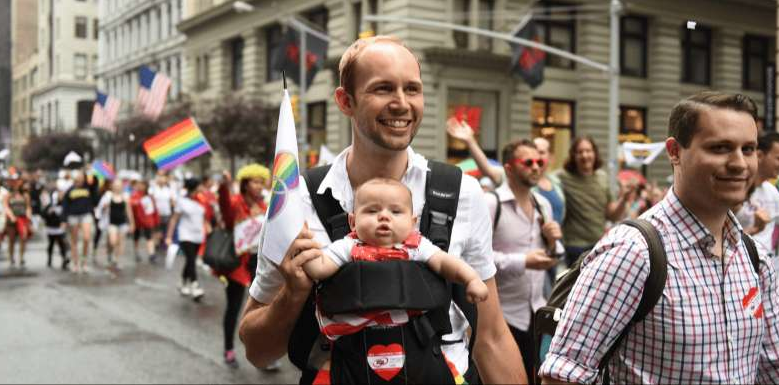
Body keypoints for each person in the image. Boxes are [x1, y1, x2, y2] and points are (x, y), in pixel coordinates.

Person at [239, 35, 526, 384]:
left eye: (413, 89)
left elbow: (492, 337)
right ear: (346, 101)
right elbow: (257, 351)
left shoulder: (461, 192)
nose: (402, 103)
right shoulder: (296, 201)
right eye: (383, 89)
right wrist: (294, 292)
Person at [540, 91, 779, 384]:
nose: (739, 163)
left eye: (748, 149)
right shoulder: (632, 253)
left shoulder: (755, 258)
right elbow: (563, 376)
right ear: (675, 152)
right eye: (720, 148)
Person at [302, 178, 488, 382]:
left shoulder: (416, 247)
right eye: (372, 211)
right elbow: (319, 269)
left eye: (396, 212)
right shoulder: (348, 247)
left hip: (415, 339)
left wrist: (471, 278)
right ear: (353, 222)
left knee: (443, 371)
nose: (383, 216)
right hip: (356, 341)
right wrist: (304, 250)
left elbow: (445, 263)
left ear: (412, 222)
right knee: (332, 372)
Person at [486, 139, 561, 385]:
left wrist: (552, 243)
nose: (536, 167)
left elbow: (553, 255)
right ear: (509, 168)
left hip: (537, 312)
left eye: (540, 162)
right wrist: (523, 261)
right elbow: (477, 257)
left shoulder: (543, 204)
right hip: (502, 316)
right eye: (528, 162)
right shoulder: (491, 203)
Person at [217, 164, 270, 369]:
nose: (258, 186)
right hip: (237, 265)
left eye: (260, 182)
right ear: (246, 184)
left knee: (264, 311)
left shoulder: (265, 206)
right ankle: (229, 349)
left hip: (260, 264)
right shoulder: (235, 203)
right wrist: (224, 186)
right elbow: (224, 207)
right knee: (234, 308)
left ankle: (264, 353)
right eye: (254, 182)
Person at [556, 136, 634, 266]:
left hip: (599, 245)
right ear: (573, 156)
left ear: (594, 153)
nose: (584, 155)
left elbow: (612, 215)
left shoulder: (602, 177)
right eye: (580, 152)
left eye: (588, 151)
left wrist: (624, 199)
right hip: (574, 247)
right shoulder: (561, 177)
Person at [734, 131, 779, 255]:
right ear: (759, 155)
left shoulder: (772, 191)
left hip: (766, 268)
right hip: (737, 266)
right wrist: (755, 229)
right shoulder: (735, 188)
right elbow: (720, 238)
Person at [165, 178, 208, 300]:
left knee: (191, 260)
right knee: (191, 259)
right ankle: (195, 286)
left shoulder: (202, 201)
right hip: (185, 235)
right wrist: (169, 236)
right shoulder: (182, 201)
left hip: (198, 236)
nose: (202, 187)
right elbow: (174, 219)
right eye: (200, 185)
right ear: (195, 187)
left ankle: (183, 282)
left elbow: (205, 217)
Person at [62, 171, 98, 274]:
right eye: (77, 177)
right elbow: (65, 206)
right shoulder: (70, 190)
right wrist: (63, 220)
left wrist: (90, 173)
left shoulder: (88, 188)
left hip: (86, 215)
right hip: (73, 216)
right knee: (74, 241)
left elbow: (95, 184)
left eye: (81, 177)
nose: (79, 179)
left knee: (86, 238)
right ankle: (75, 263)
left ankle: (84, 261)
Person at [98, 180, 135, 272]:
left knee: (121, 242)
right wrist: (104, 207)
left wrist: (132, 223)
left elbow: (128, 211)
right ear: (112, 186)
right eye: (115, 185)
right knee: (113, 241)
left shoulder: (125, 196)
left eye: (119, 185)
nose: (117, 187)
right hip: (111, 223)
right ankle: (110, 254)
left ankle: (118, 260)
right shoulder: (108, 196)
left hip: (122, 223)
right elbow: (101, 208)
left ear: (122, 186)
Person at [532, 137, 565, 224]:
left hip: (557, 236)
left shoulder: (556, 181)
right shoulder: (524, 180)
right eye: (534, 151)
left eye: (541, 152)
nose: (537, 156)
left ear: (550, 157)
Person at [5, 177, 32, 268]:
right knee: (11, 239)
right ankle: (11, 257)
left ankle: (21, 257)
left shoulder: (25, 195)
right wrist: (11, 216)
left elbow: (28, 207)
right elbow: (6, 206)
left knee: (23, 238)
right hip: (12, 220)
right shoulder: (9, 195)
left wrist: (29, 215)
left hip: (22, 219)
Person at [131, 180, 159, 264]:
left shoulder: (149, 197)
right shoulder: (135, 195)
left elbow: (153, 209)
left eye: (143, 185)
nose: (141, 187)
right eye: (140, 185)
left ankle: (151, 254)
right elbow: (131, 204)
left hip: (147, 220)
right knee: (136, 236)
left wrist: (154, 220)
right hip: (137, 220)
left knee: (149, 236)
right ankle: (136, 252)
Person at [43, 182, 69, 270]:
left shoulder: (65, 203)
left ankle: (64, 259)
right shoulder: (51, 200)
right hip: (51, 226)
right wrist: (48, 212)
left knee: (62, 243)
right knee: (51, 243)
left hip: (60, 227)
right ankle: (49, 259)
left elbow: (66, 213)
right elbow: (44, 213)